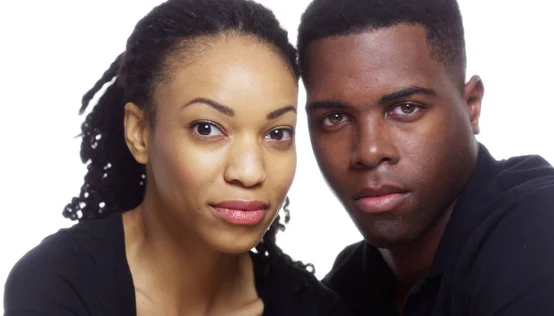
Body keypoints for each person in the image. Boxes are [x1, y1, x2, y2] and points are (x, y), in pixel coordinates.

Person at [3, 0, 354, 315]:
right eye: (207, 128)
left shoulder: (315, 309)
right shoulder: (61, 285)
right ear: (139, 132)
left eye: (277, 133)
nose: (249, 172)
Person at [297, 0, 554, 315]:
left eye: (406, 108)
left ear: (471, 106)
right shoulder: (347, 287)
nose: (369, 152)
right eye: (335, 118)